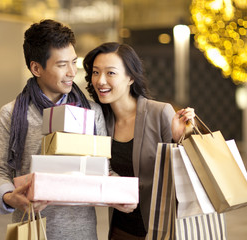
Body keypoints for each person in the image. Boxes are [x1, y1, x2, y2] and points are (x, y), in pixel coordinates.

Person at [0, 19, 107, 239]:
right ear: (36, 68)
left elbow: (103, 168)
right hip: (33, 229)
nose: (72, 72)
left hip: (82, 232)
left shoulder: (91, 112)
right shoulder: (11, 114)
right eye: (62, 65)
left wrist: (121, 192)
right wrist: (9, 197)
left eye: (74, 61)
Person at [83, 42, 195, 240]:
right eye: (95, 72)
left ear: (131, 78)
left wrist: (179, 139)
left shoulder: (159, 112)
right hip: (120, 230)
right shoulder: (98, 119)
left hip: (164, 230)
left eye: (110, 73)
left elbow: (184, 173)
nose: (100, 81)